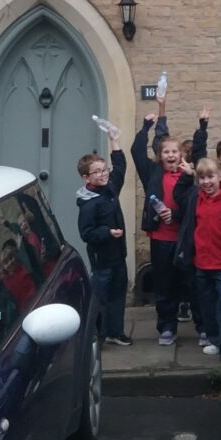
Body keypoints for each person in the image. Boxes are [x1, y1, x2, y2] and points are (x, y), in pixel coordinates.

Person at [132, 107, 208, 345]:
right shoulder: (153, 173)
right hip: (161, 240)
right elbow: (136, 151)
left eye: (175, 151)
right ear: (160, 155)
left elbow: (201, 152)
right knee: (164, 285)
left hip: (185, 238)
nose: (171, 155)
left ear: (181, 155)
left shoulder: (191, 175)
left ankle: (203, 327)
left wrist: (202, 127)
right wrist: (146, 127)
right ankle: (167, 327)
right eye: (166, 151)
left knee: (192, 284)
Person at [173, 157, 221, 370]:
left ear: (220, 177)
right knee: (206, 305)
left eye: (211, 177)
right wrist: (187, 176)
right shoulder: (195, 198)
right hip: (201, 263)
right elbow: (178, 197)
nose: (206, 182)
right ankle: (215, 339)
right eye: (202, 177)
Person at [76, 132, 132, 346]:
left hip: (118, 254)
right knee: (100, 297)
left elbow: (120, 168)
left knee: (118, 293)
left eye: (103, 170)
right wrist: (107, 233)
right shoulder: (89, 204)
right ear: (86, 178)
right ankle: (96, 335)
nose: (103, 174)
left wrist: (115, 141)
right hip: (102, 259)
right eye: (96, 172)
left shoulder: (109, 189)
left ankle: (115, 332)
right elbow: (86, 233)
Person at [0, 239, 37, 311]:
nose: (9, 263)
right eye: (6, 263)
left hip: (37, 299)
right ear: (3, 267)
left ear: (16, 256)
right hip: (24, 311)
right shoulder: (6, 281)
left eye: (11, 258)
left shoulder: (25, 267)